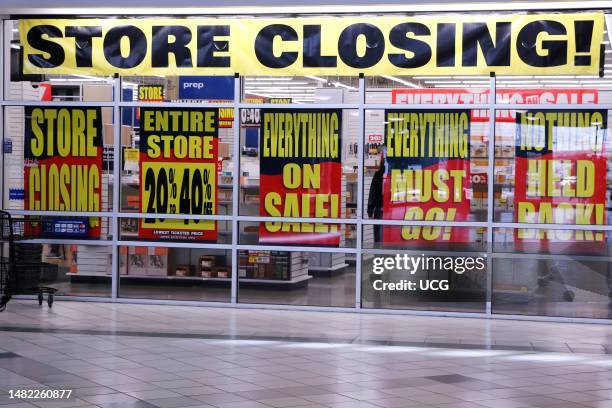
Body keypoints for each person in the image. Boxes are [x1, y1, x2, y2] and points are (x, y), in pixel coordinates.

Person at [367, 157, 385, 242]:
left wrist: (370, 210)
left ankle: (378, 254)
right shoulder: (395, 174)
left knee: (378, 238)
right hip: (388, 210)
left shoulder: (378, 175)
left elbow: (372, 193)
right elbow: (372, 192)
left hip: (379, 209)